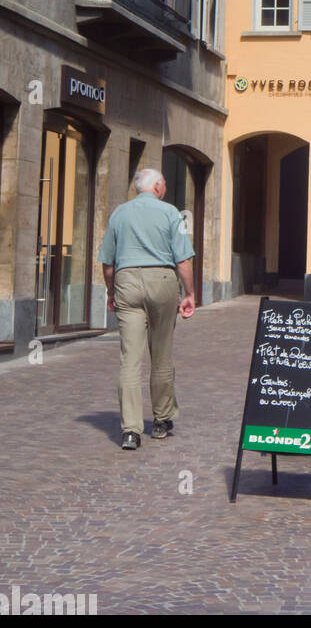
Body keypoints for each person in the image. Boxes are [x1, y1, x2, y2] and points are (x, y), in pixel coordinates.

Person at [98, 168, 196, 450]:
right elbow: (183, 260)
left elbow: (107, 263)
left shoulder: (119, 213)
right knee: (161, 353)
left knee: (129, 359)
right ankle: (162, 419)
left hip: (127, 281)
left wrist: (111, 292)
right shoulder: (171, 213)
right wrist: (190, 293)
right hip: (162, 280)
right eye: (163, 183)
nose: (164, 188)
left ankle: (130, 430)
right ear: (156, 186)